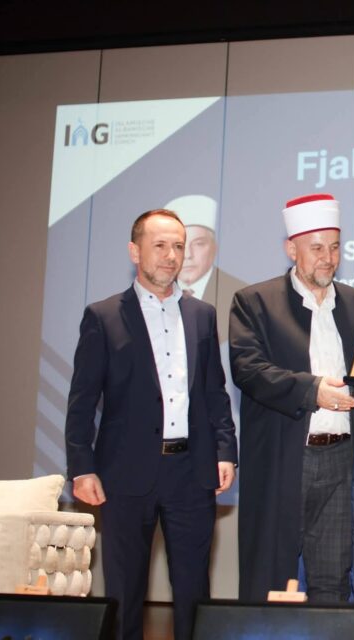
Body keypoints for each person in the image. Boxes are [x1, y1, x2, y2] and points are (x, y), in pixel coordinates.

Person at [65, 209, 238, 640]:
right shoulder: (103, 316)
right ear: (134, 251)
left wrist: (225, 450)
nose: (171, 255)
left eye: (178, 246)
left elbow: (214, 392)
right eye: (160, 245)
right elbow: (82, 401)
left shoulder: (201, 314)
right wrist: (82, 468)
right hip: (124, 472)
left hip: (192, 471)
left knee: (193, 589)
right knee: (125, 590)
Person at [229, 193, 354, 640]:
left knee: (334, 578)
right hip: (285, 460)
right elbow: (248, 369)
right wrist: (313, 391)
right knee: (274, 576)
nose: (328, 257)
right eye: (317, 247)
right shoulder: (254, 302)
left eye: (335, 247)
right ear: (292, 249)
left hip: (342, 460)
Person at [166, 194, 247, 344]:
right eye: (180, 246)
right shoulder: (157, 292)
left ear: (214, 247)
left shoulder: (240, 297)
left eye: (198, 244)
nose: (188, 255)